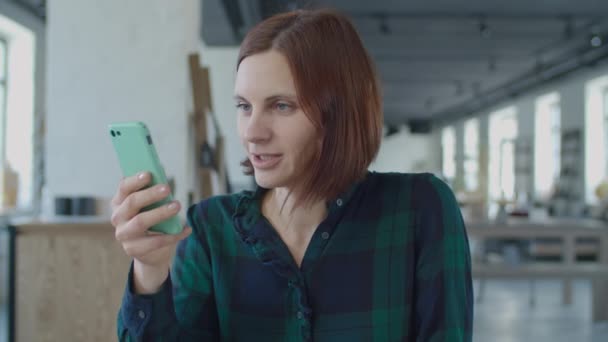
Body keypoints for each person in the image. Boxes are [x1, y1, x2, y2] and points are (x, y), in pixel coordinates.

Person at [113, 9, 473, 341]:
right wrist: (149, 270)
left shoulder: (419, 210)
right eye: (244, 106)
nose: (252, 132)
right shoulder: (210, 228)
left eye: (281, 106)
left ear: (340, 112)